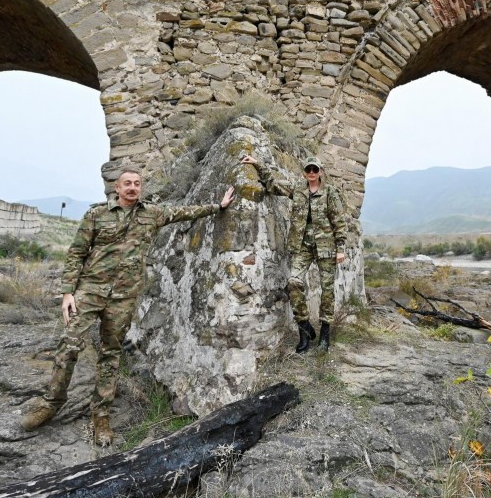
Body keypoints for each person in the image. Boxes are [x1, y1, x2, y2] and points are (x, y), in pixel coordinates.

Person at [21, 170, 235, 445]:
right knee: (70, 345)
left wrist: (218, 206)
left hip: (123, 297)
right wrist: (67, 293)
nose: (133, 188)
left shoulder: (152, 214)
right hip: (90, 291)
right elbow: (76, 253)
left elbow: (183, 212)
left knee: (110, 354)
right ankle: (51, 403)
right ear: (117, 187)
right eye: (127, 184)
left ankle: (101, 417)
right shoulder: (96, 215)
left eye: (137, 183)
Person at [240, 154, 347, 354]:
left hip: (326, 247)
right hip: (302, 247)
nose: (312, 173)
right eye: (309, 170)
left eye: (315, 170)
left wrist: (340, 248)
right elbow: (272, 185)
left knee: (327, 291)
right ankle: (305, 330)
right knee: (294, 283)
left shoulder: (330, 192)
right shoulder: (297, 189)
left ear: (321, 171)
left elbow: (339, 222)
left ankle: (324, 334)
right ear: (305, 173)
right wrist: (257, 164)